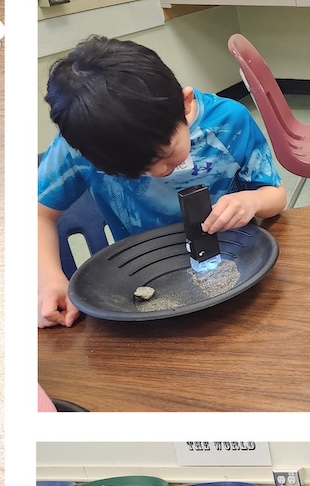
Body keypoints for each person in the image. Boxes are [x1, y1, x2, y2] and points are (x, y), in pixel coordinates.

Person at [37, 36, 285, 328]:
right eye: (135, 170)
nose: (158, 172)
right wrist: (49, 280)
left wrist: (253, 200)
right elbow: (38, 214)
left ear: (185, 102)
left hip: (236, 266)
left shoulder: (228, 122)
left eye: (167, 155)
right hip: (148, 282)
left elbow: (276, 196)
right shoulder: (81, 148)